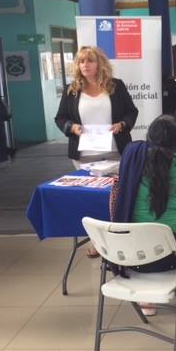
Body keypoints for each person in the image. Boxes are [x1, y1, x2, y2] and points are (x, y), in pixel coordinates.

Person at [112, 115, 176, 322]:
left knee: (149, 236)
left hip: (136, 252)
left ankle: (147, 301)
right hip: (175, 252)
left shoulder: (133, 159)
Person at [55, 45, 138, 257]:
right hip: (84, 155)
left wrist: (122, 125)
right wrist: (71, 128)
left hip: (115, 152)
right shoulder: (71, 90)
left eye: (89, 61)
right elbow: (61, 118)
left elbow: (131, 111)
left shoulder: (115, 86)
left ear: (99, 63)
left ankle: (118, 237)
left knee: (117, 197)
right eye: (81, 61)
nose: (85, 65)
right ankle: (98, 242)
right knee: (91, 199)